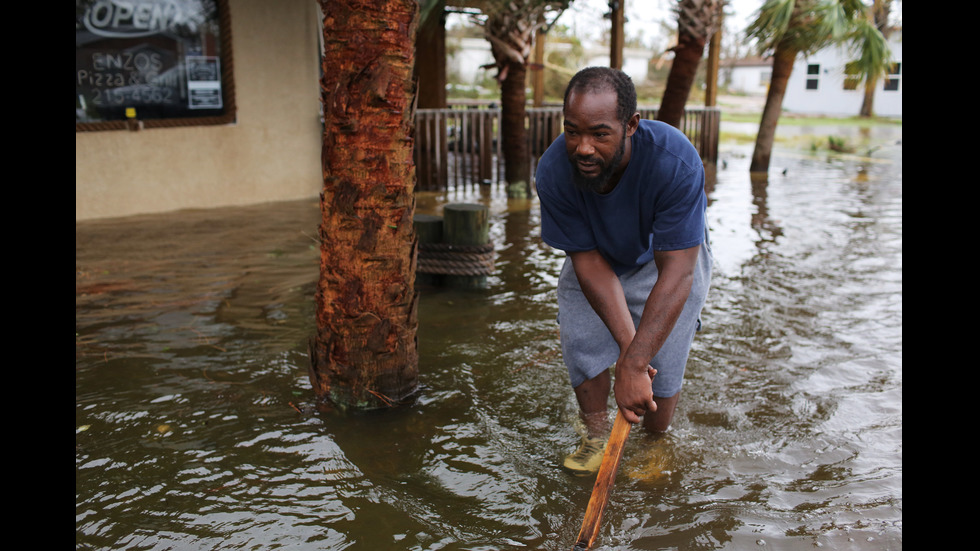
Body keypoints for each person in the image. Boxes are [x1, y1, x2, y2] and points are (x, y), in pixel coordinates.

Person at [535, 67, 713, 476]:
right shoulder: (553, 171)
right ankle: (596, 436)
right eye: (572, 131)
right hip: (597, 253)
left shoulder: (675, 161)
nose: (582, 148)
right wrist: (630, 355)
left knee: (665, 356)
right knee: (581, 340)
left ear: (631, 125)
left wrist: (637, 363)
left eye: (600, 133)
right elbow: (587, 263)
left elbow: (679, 272)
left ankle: (655, 441)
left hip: (668, 258)